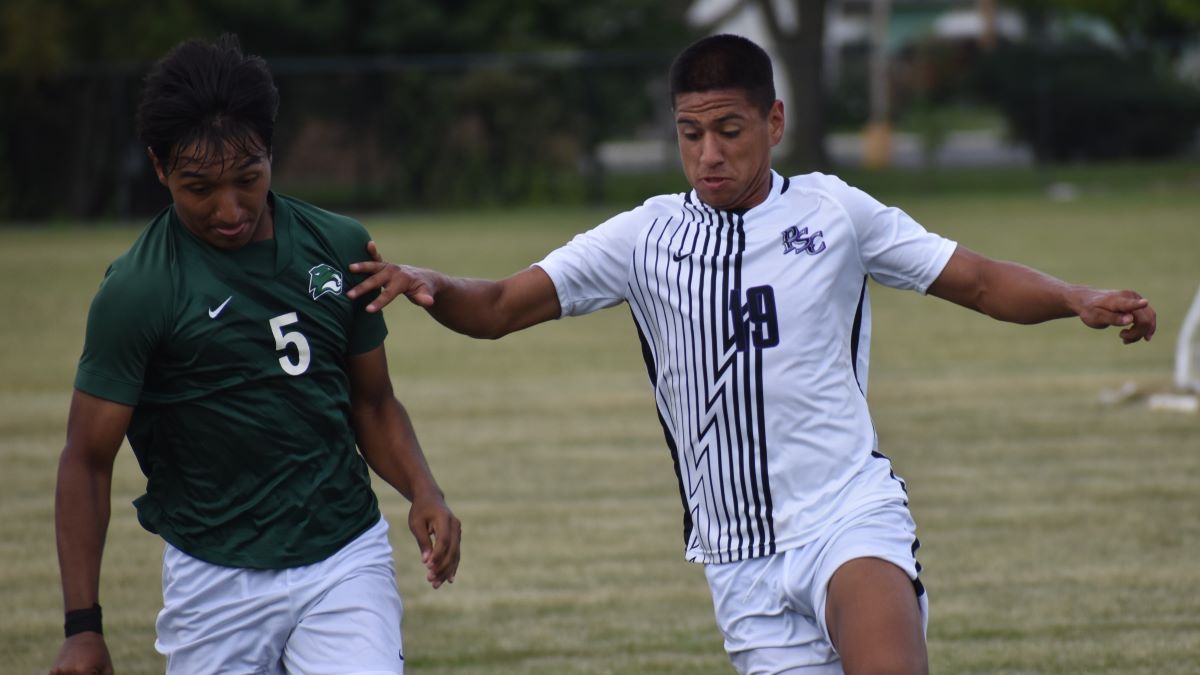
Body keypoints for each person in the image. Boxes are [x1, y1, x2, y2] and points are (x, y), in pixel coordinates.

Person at [348, 34, 1156, 675]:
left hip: (848, 509)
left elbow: (976, 280)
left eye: (729, 131)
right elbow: (495, 307)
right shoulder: (643, 236)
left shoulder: (836, 212)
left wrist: (1073, 297)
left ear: (773, 123)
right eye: (691, 134)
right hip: (739, 555)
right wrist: (428, 281)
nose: (709, 154)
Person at [52, 35, 461, 675]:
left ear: (272, 151)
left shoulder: (339, 245)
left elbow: (371, 402)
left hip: (342, 556)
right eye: (199, 188)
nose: (230, 210)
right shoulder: (138, 291)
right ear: (159, 168)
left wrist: (423, 490)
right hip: (215, 579)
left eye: (249, 178)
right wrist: (82, 628)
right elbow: (86, 461)